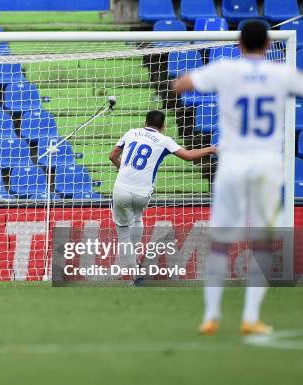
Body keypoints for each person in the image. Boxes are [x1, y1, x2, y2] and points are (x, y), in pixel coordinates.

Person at [173, 20, 303, 335]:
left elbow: (182, 84)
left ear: (239, 44)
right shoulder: (282, 73)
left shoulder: (226, 69)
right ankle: (250, 317)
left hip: (232, 163)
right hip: (267, 165)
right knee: (262, 242)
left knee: (219, 243)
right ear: (269, 45)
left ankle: (211, 316)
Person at [109, 110, 215, 277]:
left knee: (123, 232)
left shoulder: (131, 133)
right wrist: (211, 149)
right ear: (163, 126)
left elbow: (113, 155)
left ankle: (132, 274)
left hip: (121, 189)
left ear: (145, 123)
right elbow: (188, 156)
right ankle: (134, 258)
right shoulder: (164, 140)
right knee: (137, 219)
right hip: (142, 193)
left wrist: (123, 169)